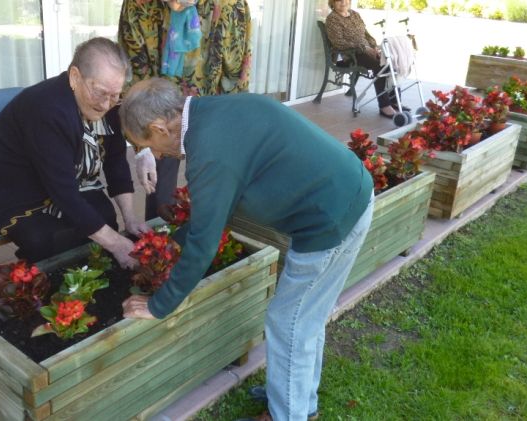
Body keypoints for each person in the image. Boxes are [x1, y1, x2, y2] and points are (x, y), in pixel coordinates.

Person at [119, 77, 374, 421]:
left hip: (329, 219)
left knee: (290, 321)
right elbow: (210, 216)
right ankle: (297, 401)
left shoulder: (209, 153)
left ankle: (289, 414)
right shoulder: (217, 112)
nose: (160, 155)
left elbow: (205, 242)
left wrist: (159, 305)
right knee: (305, 319)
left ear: (160, 127)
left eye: (148, 145)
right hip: (345, 194)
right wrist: (165, 246)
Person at [0, 37, 149, 267]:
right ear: (75, 77)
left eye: (115, 95)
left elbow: (115, 161)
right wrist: (117, 244)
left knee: (105, 219)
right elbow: (63, 192)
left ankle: (80, 280)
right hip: (9, 187)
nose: (106, 104)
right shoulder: (48, 110)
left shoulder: (110, 103)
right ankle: (34, 284)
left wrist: (130, 219)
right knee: (45, 239)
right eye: (101, 93)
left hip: (59, 179)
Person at [120, 0, 252, 220]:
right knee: (159, 192)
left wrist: (232, 132)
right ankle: (158, 246)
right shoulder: (138, 4)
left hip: (211, 108)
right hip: (158, 115)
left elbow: (237, 75)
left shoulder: (229, 5)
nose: (176, 5)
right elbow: (133, 78)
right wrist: (142, 147)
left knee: (211, 188)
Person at [325, 0, 406, 118]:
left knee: (392, 61)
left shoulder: (355, 14)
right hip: (352, 55)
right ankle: (384, 105)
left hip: (367, 50)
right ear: (332, 3)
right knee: (381, 65)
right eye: (339, 0)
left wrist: (374, 47)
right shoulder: (332, 19)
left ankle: (394, 101)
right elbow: (338, 42)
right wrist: (364, 47)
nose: (343, 2)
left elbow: (366, 34)